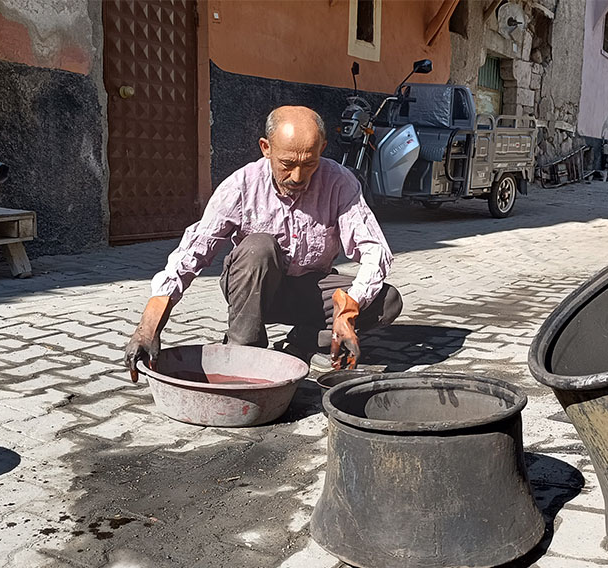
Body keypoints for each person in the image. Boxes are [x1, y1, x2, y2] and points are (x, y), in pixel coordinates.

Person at [123, 106, 402, 379]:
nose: (298, 177)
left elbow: (374, 249)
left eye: (309, 164)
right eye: (287, 164)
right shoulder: (241, 185)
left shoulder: (340, 182)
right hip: (253, 287)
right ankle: (244, 348)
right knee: (259, 248)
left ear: (323, 148)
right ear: (265, 148)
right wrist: (149, 327)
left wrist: (349, 308)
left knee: (387, 300)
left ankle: (303, 341)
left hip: (308, 289)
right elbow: (192, 252)